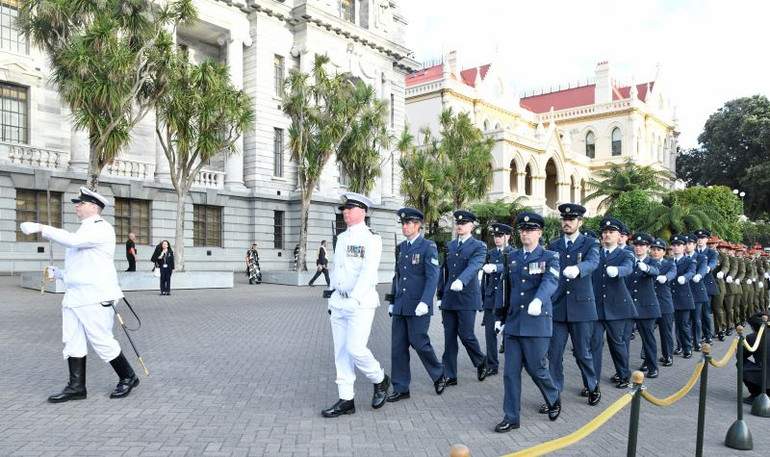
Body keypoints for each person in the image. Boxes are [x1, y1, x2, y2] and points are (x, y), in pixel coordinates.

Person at [20, 187, 140, 402]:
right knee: (72, 340)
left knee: (101, 339)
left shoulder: (100, 228)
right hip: (76, 296)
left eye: (81, 203)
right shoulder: (84, 230)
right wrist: (61, 274)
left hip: (95, 296)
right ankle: (76, 387)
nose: (77, 205)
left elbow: (73, 242)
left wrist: (41, 227)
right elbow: (83, 267)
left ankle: (128, 377)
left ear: (94, 207)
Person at [321, 192, 390, 418]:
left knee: (356, 349)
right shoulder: (341, 238)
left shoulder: (371, 238)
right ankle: (346, 400)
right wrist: (333, 295)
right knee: (341, 352)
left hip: (360, 303)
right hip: (339, 301)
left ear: (363, 211)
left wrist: (355, 298)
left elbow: (368, 273)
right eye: (344, 209)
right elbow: (336, 269)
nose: (346, 212)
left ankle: (379, 379)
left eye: (350, 208)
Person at [493, 212, 561, 433]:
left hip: (537, 323)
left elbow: (550, 281)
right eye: (522, 230)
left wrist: (539, 301)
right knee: (510, 373)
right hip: (514, 323)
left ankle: (553, 397)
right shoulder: (511, 257)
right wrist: (499, 318)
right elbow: (506, 290)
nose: (525, 233)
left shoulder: (550, 256)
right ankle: (511, 417)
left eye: (530, 230)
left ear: (539, 233)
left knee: (537, 368)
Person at [386, 208, 446, 402]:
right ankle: (401, 387)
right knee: (398, 347)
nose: (405, 226)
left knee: (420, 343)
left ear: (418, 225)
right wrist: (392, 300)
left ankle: (439, 374)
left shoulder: (428, 247)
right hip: (402, 306)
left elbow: (432, 277)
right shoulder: (402, 247)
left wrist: (425, 302)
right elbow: (399, 276)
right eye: (403, 223)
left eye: (408, 223)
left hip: (419, 307)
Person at [546, 204, 601, 408]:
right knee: (555, 353)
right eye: (564, 219)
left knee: (582, 353)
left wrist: (578, 269)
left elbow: (593, 262)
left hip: (582, 308)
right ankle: (553, 396)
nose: (567, 222)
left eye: (571, 219)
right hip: (559, 307)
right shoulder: (554, 245)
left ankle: (592, 386)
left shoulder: (590, 243)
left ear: (580, 222)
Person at [437, 210, 489, 386]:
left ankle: (481, 361)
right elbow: (443, 271)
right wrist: (440, 294)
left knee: (466, 335)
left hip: (467, 297)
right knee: (449, 338)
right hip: (450, 298)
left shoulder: (479, 246)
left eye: (464, 223)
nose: (460, 225)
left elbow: (475, 265)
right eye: (458, 223)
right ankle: (450, 375)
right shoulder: (450, 245)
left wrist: (461, 280)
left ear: (471, 225)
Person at [591, 217, 637, 388]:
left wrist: (617, 271)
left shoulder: (626, 253)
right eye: (604, 232)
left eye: (611, 232)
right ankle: (592, 380)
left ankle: (623, 374)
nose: (607, 235)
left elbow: (628, 268)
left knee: (616, 343)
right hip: (596, 306)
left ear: (619, 236)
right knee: (594, 343)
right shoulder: (595, 254)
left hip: (617, 307)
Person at [481, 223, 515, 377]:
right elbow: (485, 280)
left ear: (508, 236)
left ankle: (513, 364)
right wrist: (483, 296)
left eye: (500, 235)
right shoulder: (490, 253)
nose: (497, 238)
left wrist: (496, 267)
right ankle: (492, 364)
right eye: (495, 236)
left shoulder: (513, 253)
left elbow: (512, 268)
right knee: (490, 334)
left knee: (508, 333)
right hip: (491, 298)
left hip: (505, 299)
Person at [627, 233, 661, 378]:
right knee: (623, 339)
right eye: (636, 245)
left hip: (646, 306)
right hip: (629, 305)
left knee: (648, 339)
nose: (639, 248)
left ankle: (653, 366)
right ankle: (622, 370)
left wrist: (646, 268)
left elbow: (655, 271)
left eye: (642, 246)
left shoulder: (652, 261)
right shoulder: (628, 260)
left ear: (648, 248)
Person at [650, 238, 677, 367]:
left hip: (664, 303)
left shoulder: (669, 264)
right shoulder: (647, 263)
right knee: (647, 332)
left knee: (665, 332)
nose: (655, 252)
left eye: (658, 250)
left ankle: (668, 356)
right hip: (649, 303)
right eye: (654, 249)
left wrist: (666, 277)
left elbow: (673, 273)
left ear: (663, 252)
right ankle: (647, 359)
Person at [670, 234, 697, 359]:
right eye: (674, 245)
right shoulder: (669, 261)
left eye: (679, 245)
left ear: (684, 246)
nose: (676, 248)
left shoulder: (689, 260)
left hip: (683, 297)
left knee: (683, 325)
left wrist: (684, 278)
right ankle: (678, 346)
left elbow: (691, 272)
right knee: (671, 326)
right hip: (669, 297)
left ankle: (687, 347)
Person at [741, 312, 770, 404]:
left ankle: (755, 394)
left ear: (753, 327)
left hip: (764, 376)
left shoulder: (752, 337)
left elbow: (741, 356)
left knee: (741, 364)